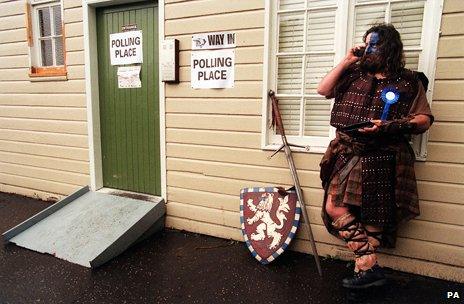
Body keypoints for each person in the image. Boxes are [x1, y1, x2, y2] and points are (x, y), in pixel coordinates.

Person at [317, 23, 434, 289]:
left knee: (375, 217)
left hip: (385, 155)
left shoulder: (409, 81)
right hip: (348, 153)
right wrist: (347, 60)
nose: (368, 48)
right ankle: (370, 265)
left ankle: (364, 272)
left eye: (375, 44)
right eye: (366, 43)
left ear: (389, 48)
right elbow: (323, 90)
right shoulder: (352, 74)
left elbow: (423, 120)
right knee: (335, 206)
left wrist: (390, 125)